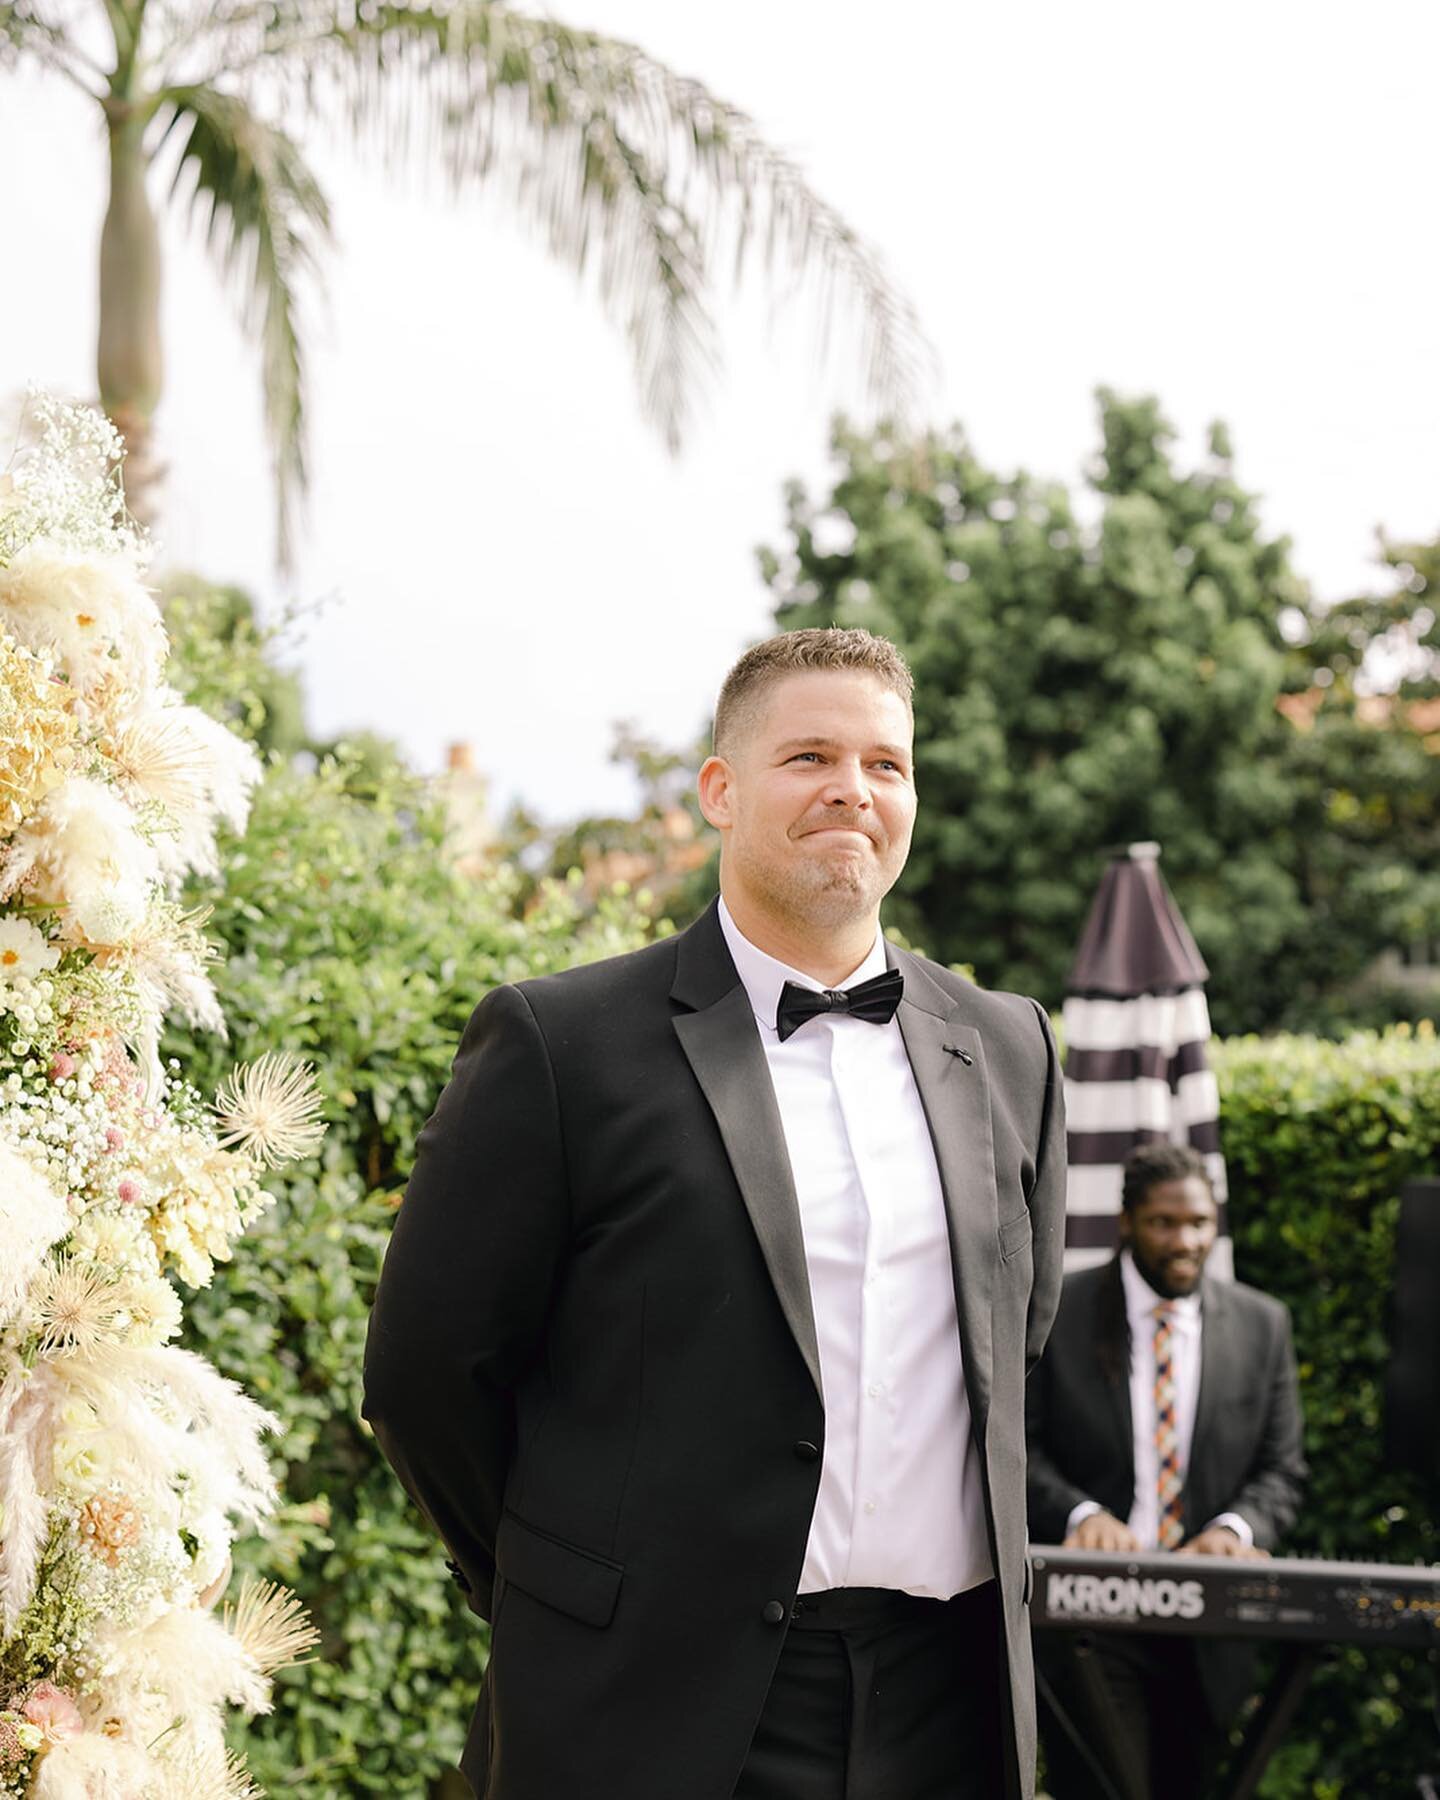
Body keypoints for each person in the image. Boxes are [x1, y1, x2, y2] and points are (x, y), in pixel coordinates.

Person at [363, 627, 1067, 1800]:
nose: (853, 789)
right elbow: (427, 1378)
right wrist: (575, 1586)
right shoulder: (560, 1045)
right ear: (720, 792)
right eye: (809, 757)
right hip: (650, 1708)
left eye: (885, 764)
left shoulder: (1011, 1047)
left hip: (950, 1706)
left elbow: (1018, 1344)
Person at [1025, 1142, 1307, 1800]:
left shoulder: (1263, 1326)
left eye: (1200, 1223)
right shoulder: (1057, 1311)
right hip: (1093, 1621)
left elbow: (1283, 1469)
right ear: (1126, 1222)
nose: (1186, 1240)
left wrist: (1236, 1530)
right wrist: (1082, 1515)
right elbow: (1017, 1446)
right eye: (1164, 1223)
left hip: (1211, 1626)